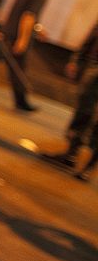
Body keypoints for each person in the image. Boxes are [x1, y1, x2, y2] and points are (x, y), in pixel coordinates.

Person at [42, 20, 98, 179]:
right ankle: (71, 154)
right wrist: (77, 59)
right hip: (94, 66)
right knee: (84, 110)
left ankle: (90, 165)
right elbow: (93, 34)